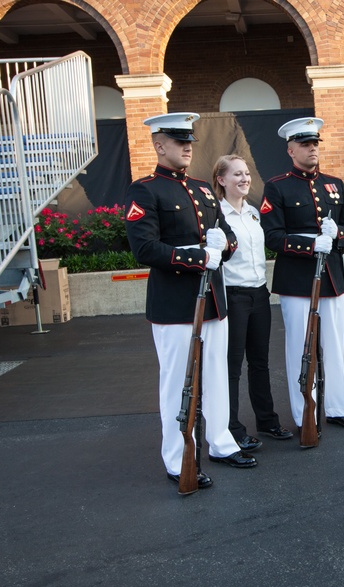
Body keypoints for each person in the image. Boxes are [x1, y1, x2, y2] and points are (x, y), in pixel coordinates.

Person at [124, 113, 257, 490]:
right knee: (178, 384)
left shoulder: (201, 189)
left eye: (189, 141)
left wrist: (223, 246)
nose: (186, 147)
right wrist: (198, 256)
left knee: (216, 377)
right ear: (158, 145)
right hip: (176, 306)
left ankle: (221, 443)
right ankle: (175, 456)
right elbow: (144, 247)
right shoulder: (145, 190)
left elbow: (228, 237)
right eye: (177, 141)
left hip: (214, 302)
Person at [260, 117, 344, 440]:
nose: (312, 149)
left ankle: (337, 407)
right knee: (299, 348)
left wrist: (340, 234)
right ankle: (304, 410)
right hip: (296, 279)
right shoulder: (277, 187)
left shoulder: (334, 184)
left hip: (331, 276)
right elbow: (273, 237)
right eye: (305, 144)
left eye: (315, 143)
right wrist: (309, 243)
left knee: (333, 344)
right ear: (291, 149)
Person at [212, 154, 293, 451]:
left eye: (246, 173)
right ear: (221, 180)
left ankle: (267, 421)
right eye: (237, 174)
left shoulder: (253, 213)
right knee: (232, 366)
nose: (245, 179)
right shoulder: (217, 215)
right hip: (233, 296)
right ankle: (232, 428)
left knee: (260, 362)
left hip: (259, 293)